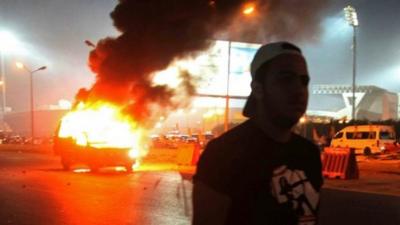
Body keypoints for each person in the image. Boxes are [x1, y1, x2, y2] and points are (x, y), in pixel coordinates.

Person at [192, 42, 323, 225]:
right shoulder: (223, 154)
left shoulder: (308, 154)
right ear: (258, 88)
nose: (299, 90)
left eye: (304, 81)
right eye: (286, 79)